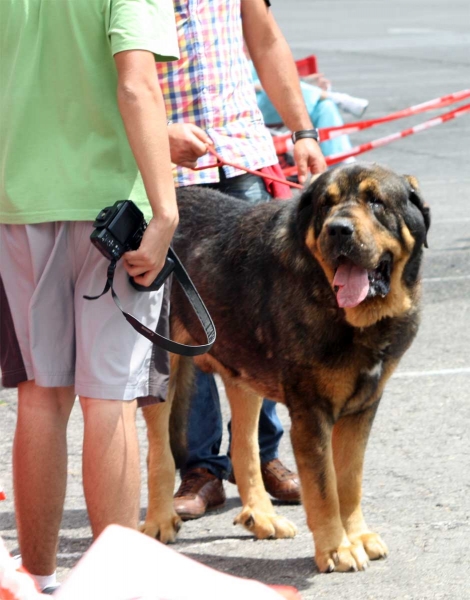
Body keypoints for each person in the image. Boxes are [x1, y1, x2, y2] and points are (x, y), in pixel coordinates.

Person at [0, 0, 181, 594]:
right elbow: (136, 86)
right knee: (111, 401)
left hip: (20, 202)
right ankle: (113, 588)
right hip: (113, 208)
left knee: (40, 397)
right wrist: (166, 210)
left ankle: (41, 579)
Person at [155, 0, 327, 521]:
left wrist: (302, 131)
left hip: (242, 155)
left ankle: (263, 458)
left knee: (264, 324)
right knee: (185, 332)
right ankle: (202, 469)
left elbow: (266, 38)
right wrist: (159, 134)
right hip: (166, 166)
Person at [251, 61, 369, 158]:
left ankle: (340, 158)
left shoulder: (257, 54)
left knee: (325, 106)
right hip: (252, 109)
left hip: (274, 102)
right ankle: (334, 97)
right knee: (282, 86)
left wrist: (304, 81)